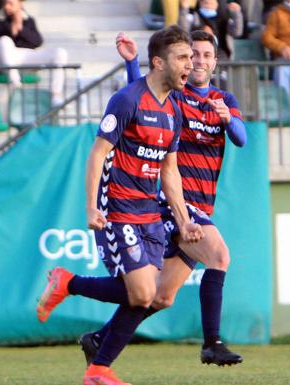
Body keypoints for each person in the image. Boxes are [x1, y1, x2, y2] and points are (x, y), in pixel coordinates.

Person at [36, 25, 203, 385]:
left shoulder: (173, 109)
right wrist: (90, 207)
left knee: (155, 297)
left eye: (192, 57)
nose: (191, 64)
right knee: (143, 293)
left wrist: (183, 219)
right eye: (183, 57)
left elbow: (169, 171)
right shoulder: (127, 100)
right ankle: (71, 288)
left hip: (150, 215)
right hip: (118, 210)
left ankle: (97, 365)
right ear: (158, 62)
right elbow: (97, 155)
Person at [77, 29, 247, 368]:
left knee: (161, 295)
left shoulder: (224, 100)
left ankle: (100, 339)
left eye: (204, 55)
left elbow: (242, 138)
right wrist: (130, 64)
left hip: (198, 206)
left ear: (214, 62)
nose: (196, 61)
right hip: (175, 203)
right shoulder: (176, 96)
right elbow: (143, 95)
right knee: (219, 255)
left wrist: (228, 120)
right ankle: (212, 342)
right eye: (190, 55)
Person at [0, 0, 68, 105]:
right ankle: (16, 86)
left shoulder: (28, 20)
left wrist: (21, 29)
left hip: (25, 57)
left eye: (10, 4)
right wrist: (10, 31)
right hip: (6, 60)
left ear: (20, 4)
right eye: (5, 3)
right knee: (4, 41)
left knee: (60, 53)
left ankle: (55, 95)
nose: (7, 7)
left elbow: (37, 42)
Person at [178, 0, 244, 60]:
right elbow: (183, 30)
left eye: (211, 3)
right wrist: (184, 8)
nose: (208, 6)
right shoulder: (194, 17)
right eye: (206, 3)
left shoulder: (223, 19)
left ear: (217, 5)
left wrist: (236, 14)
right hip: (197, 53)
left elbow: (237, 32)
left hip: (220, 54)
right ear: (200, 3)